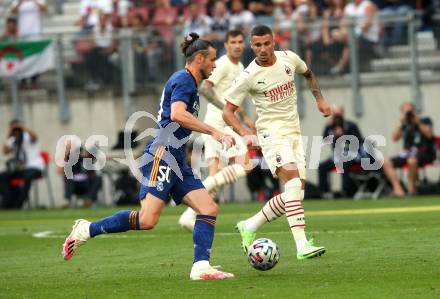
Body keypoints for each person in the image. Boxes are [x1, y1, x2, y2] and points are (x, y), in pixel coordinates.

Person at [62, 32, 235, 281]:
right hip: (162, 154)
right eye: (212, 59)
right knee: (147, 219)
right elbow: (177, 114)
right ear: (199, 59)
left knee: (208, 207)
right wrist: (215, 131)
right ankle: (86, 229)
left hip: (175, 157)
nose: (215, 64)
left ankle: (201, 267)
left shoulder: (188, 82)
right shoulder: (184, 80)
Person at [223, 25, 332, 260]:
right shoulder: (249, 76)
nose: (262, 49)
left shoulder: (289, 59)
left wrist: (319, 100)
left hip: (294, 132)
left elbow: (309, 73)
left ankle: (250, 225)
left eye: (267, 43)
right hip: (272, 134)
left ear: (274, 42)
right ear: (252, 46)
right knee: (292, 185)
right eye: (257, 45)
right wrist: (244, 133)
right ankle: (302, 245)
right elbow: (228, 112)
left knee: (296, 195)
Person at [178, 30, 255, 231]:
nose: (237, 45)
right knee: (245, 165)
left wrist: (245, 117)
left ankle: (191, 216)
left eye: (240, 41)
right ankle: (189, 206)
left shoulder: (239, 66)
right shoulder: (221, 64)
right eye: (233, 42)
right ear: (226, 45)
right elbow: (206, 88)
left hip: (220, 122)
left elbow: (232, 98)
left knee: (216, 176)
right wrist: (226, 111)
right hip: (219, 124)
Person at [382, 102, 436, 196]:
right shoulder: (404, 124)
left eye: (410, 110)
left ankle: (412, 189)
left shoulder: (425, 120)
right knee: (386, 162)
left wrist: (418, 122)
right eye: (406, 111)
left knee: (412, 160)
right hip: (408, 153)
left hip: (424, 152)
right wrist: (401, 122)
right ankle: (398, 189)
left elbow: (429, 134)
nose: (409, 113)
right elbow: (395, 138)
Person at [318, 105, 364, 198]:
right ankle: (325, 192)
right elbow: (324, 140)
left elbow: (359, 141)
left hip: (352, 155)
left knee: (344, 164)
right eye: (335, 114)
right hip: (337, 155)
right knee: (322, 167)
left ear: (343, 113)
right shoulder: (331, 126)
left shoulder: (350, 125)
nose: (337, 117)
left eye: (338, 114)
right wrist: (327, 128)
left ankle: (346, 192)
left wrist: (344, 134)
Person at [0, 120, 44, 209]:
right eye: (14, 128)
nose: (16, 130)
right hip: (21, 169)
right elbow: (5, 151)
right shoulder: (13, 140)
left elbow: (35, 137)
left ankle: (18, 205)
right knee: (2, 176)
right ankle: (7, 201)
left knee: (27, 176)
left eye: (17, 128)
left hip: (35, 167)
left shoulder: (27, 136)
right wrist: (9, 135)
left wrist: (23, 128)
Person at [57, 143, 102, 207]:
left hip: (87, 184)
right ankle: (67, 200)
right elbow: (59, 171)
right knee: (67, 177)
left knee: (98, 178)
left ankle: (89, 200)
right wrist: (66, 156)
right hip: (75, 185)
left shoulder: (88, 159)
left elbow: (94, 151)